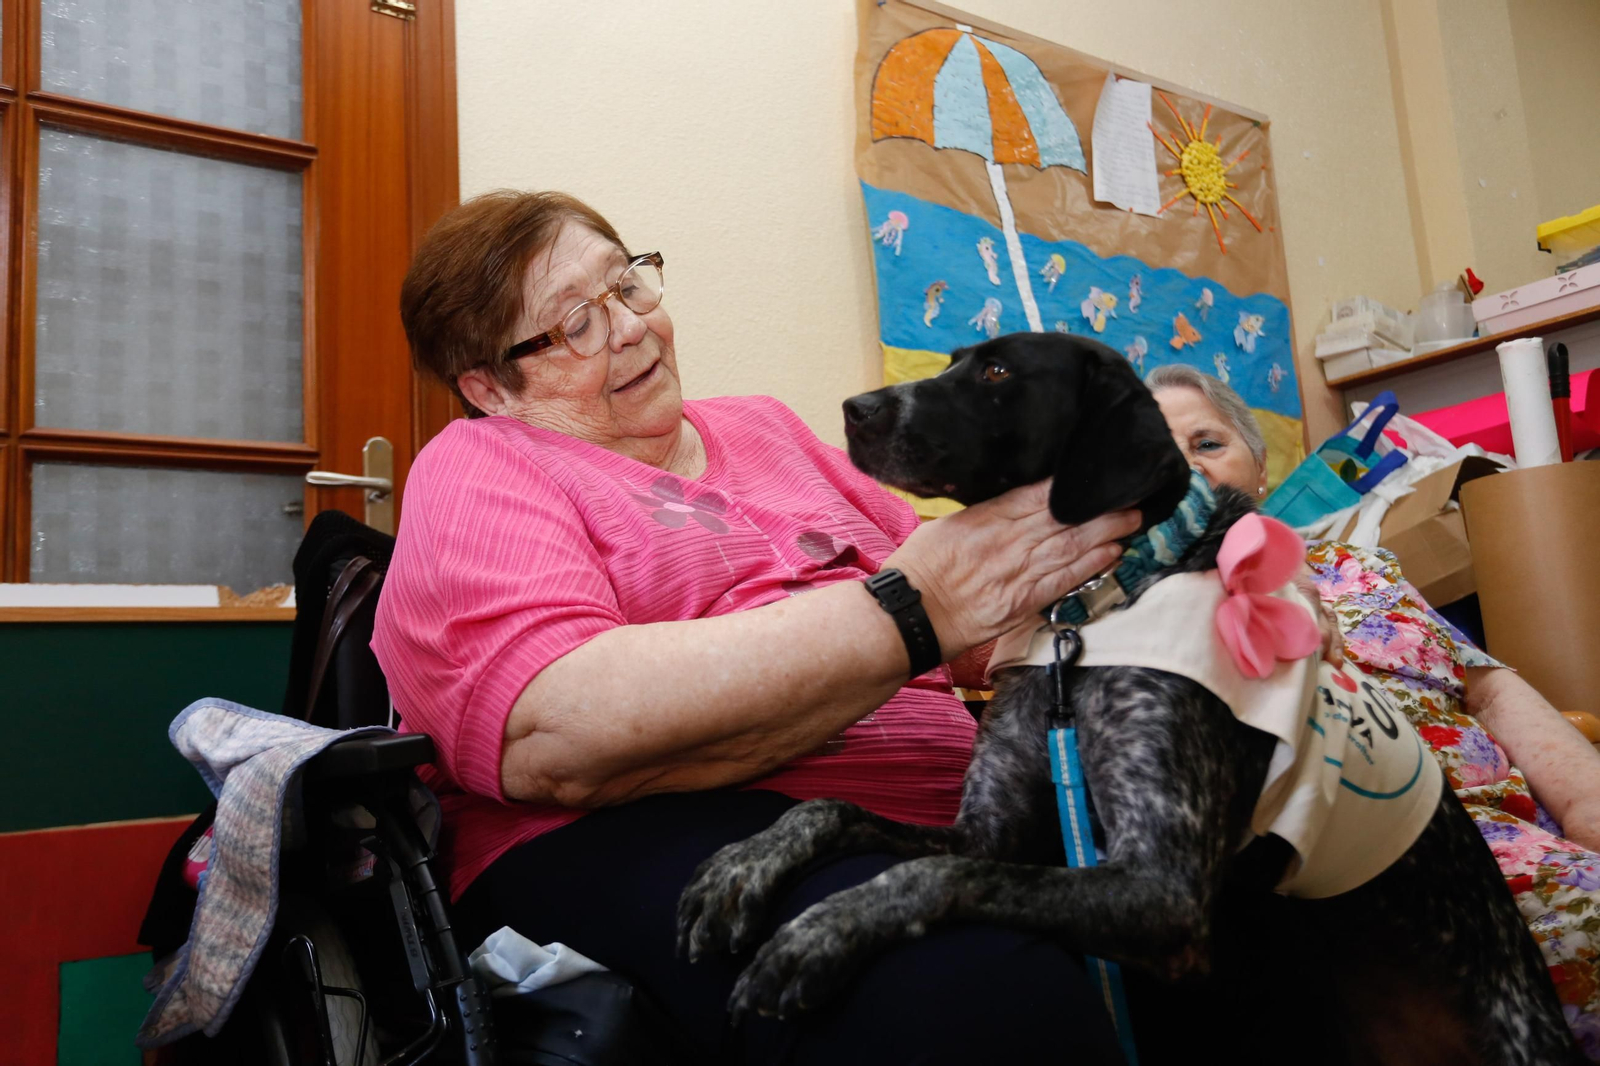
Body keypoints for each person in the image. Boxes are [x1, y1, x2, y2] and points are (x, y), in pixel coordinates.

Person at [373, 190, 1141, 1064]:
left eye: (627, 286)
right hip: (647, 833)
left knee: (1221, 897)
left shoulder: (764, 428)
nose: (626, 328)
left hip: (930, 808)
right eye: (574, 324)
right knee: (978, 996)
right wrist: (910, 609)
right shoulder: (485, 463)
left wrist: (1108, 572)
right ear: (488, 386)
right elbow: (555, 725)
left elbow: (977, 621)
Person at [1147, 362, 1600, 1059]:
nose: (1186, 467)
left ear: (1261, 470)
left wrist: (1585, 798)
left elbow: (1484, 686)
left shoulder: (1357, 569)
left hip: (1525, 826)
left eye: (1208, 443)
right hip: (1388, 867)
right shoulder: (1137, 610)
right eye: (1153, 449)